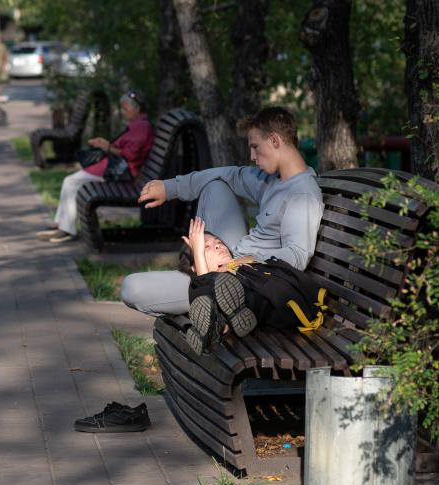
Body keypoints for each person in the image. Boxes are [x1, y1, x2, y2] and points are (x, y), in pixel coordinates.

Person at [121, 106, 324, 316]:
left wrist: (241, 262)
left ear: (274, 140)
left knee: (131, 288)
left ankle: (206, 286)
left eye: (255, 147)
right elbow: (229, 174)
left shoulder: (303, 194)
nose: (252, 156)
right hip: (232, 258)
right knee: (215, 185)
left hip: (245, 279)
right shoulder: (273, 180)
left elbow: (297, 256)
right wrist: (170, 188)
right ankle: (204, 273)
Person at [179, 217, 328, 355]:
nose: (218, 246)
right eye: (206, 247)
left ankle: (218, 326)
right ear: (195, 266)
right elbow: (202, 281)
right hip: (240, 307)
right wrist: (199, 257)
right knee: (201, 288)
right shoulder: (197, 289)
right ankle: (217, 324)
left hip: (270, 305)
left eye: (219, 242)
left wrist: (201, 255)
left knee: (220, 286)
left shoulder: (242, 266)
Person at [35, 90, 154, 243]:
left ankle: (65, 229)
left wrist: (107, 147)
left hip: (121, 172)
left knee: (71, 182)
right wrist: (106, 145)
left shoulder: (141, 127)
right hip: (116, 168)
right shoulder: (139, 125)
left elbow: (130, 155)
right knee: (71, 181)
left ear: (137, 109)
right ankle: (61, 225)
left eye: (125, 109)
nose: (123, 113)